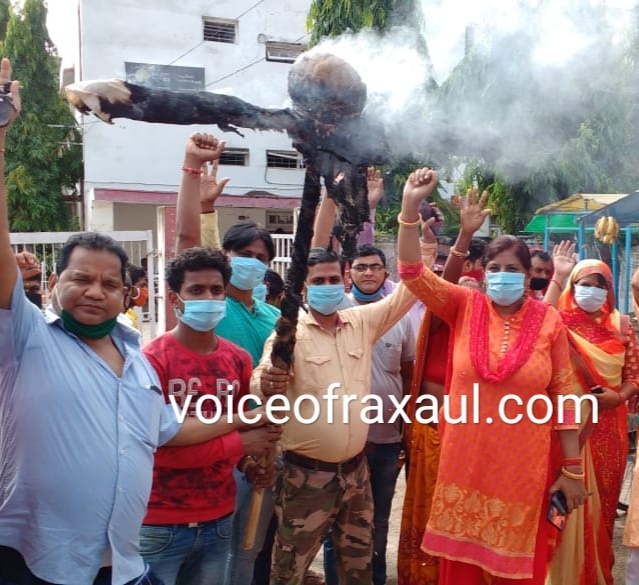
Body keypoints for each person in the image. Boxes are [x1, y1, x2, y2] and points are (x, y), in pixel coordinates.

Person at [0, 61, 275, 585]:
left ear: (129, 293)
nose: (94, 291)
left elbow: (170, 431)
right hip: (38, 564)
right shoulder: (27, 338)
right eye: (80, 278)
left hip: (120, 565)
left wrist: (249, 418)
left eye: (109, 283)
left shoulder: (136, 360)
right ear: (54, 285)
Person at [397, 167, 587, 584]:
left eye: (513, 269)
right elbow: (411, 270)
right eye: (495, 267)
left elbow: (565, 397)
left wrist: (572, 468)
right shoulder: (464, 306)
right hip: (465, 466)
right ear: (483, 271)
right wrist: (410, 205)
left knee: (517, 570)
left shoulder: (549, 321)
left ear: (528, 275)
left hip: (523, 468)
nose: (503, 275)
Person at [253, 246, 416, 585]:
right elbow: (263, 378)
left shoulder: (361, 322)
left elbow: (409, 290)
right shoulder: (289, 334)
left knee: (358, 566)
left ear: (343, 280)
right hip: (305, 477)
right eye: (318, 280)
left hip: (357, 473)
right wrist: (265, 380)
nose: (326, 285)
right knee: (289, 571)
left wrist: (415, 225)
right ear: (305, 287)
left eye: (332, 279)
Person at [174, 132, 281, 585]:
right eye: (243, 255)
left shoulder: (276, 315)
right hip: (218, 442)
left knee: (256, 547)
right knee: (217, 554)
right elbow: (187, 240)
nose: (252, 262)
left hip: (267, 444)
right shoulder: (213, 308)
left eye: (261, 257)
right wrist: (192, 176)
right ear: (227, 258)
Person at [140, 246, 280, 585]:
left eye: (217, 290)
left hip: (219, 519)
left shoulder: (238, 359)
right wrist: (241, 439)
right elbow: (158, 449)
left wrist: (248, 465)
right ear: (175, 298)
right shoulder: (152, 360)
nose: (210, 298)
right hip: (160, 523)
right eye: (197, 290)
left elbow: (229, 446)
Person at [398, 187, 488, 585]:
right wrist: (464, 238)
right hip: (433, 434)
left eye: (473, 298)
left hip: (473, 439)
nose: (464, 303)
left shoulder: (488, 336)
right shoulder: (437, 324)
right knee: (430, 514)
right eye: (457, 298)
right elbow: (438, 288)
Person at [544, 250, 639, 585]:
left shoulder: (622, 325)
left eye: (600, 284)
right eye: (585, 283)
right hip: (564, 426)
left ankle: (595, 576)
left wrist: (619, 397)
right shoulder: (555, 322)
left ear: (610, 289)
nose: (592, 289)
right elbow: (538, 321)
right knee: (559, 504)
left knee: (603, 509)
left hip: (608, 430)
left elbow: (634, 378)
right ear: (573, 285)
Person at [323, 244, 416, 585]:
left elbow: (407, 372)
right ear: (350, 273)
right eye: (360, 267)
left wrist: (406, 421)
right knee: (338, 519)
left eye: (374, 267)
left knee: (377, 520)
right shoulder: (333, 311)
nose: (367, 273)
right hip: (341, 439)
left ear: (385, 274)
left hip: (385, 438)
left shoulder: (400, 319)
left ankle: (375, 579)